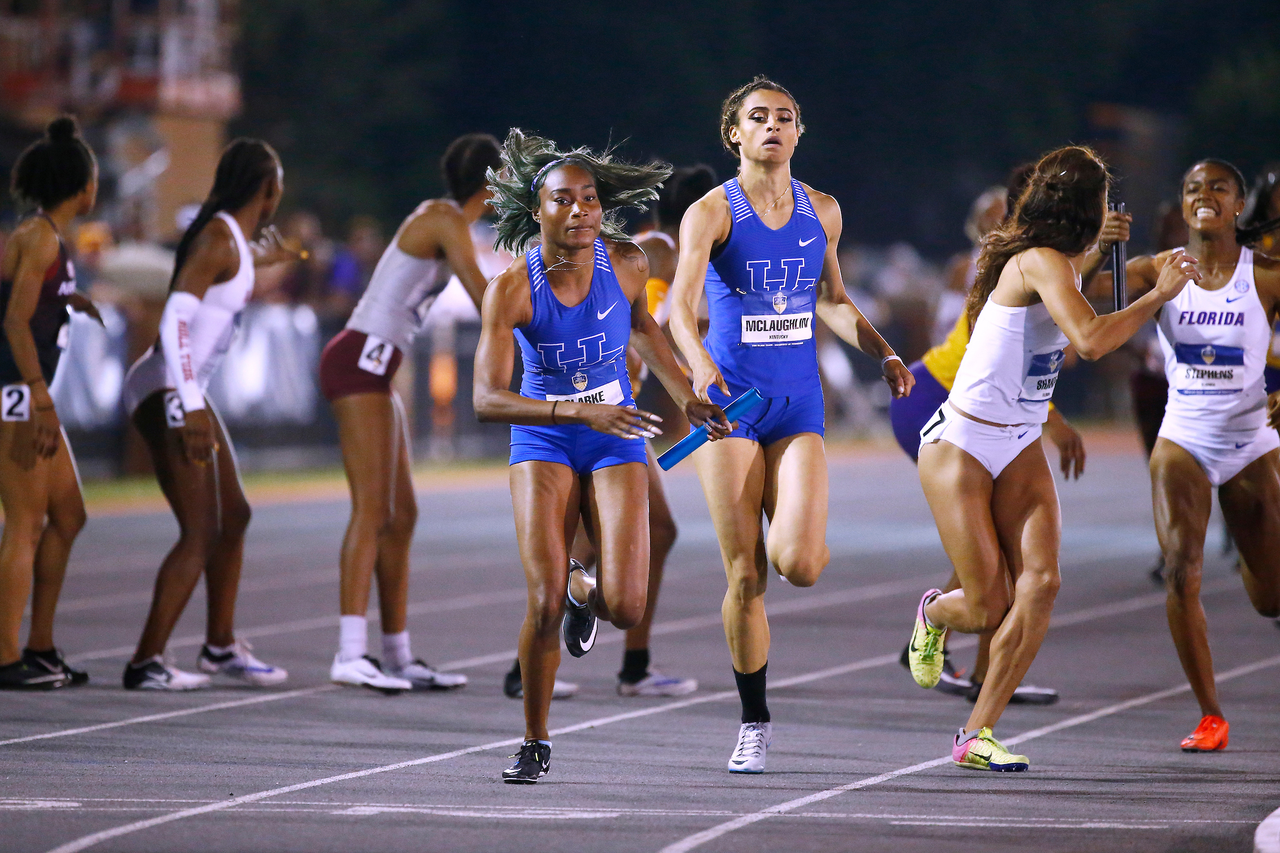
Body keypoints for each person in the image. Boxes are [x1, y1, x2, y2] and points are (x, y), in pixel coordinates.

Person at [906, 145, 1199, 772]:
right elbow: (1091, 341)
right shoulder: (1036, 261)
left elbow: (1085, 284)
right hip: (962, 442)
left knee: (1042, 584)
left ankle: (975, 736)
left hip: (1017, 440)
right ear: (1084, 208)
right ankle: (933, 612)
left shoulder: (1060, 263)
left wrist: (1140, 263)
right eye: (1101, 204)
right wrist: (1159, 295)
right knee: (985, 606)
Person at [668, 76, 913, 774]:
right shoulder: (711, 213)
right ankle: (754, 721)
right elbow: (679, 311)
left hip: (797, 404)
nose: (772, 126)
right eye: (757, 117)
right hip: (730, 410)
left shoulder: (823, 211)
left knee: (799, 563)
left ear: (799, 133)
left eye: (784, 117)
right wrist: (699, 367)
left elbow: (833, 300)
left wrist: (884, 352)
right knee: (746, 573)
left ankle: (789, 527)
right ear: (734, 135)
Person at [473, 129, 728, 784]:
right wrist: (577, 409)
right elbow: (485, 398)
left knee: (629, 606)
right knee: (540, 603)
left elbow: (644, 329)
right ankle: (535, 739)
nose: (580, 210)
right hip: (547, 437)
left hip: (616, 433)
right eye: (564, 200)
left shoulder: (630, 263)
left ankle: (585, 586)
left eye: (589, 198)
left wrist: (688, 394)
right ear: (538, 210)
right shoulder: (511, 290)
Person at [890, 170, 1126, 705]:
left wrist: (1098, 253)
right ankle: (943, 614)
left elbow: (1046, 343)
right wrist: (1058, 421)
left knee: (1028, 580)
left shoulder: (1047, 264)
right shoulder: (1006, 265)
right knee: (988, 582)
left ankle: (981, 703)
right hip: (942, 396)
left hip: (1008, 420)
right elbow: (1059, 345)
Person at [501, 164, 718, 702]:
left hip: (614, 414)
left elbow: (643, 321)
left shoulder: (635, 253)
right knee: (609, 542)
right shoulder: (660, 254)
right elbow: (636, 319)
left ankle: (595, 631)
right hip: (593, 413)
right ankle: (589, 650)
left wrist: (684, 388)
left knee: (638, 538)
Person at [319, 133, 500, 692]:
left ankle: (396, 654)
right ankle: (349, 652)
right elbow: (482, 295)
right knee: (373, 511)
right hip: (357, 363)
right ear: (490, 183)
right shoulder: (443, 217)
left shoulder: (450, 221)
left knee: (403, 517)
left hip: (375, 368)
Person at [120, 138, 298, 690]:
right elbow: (174, 321)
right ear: (267, 189)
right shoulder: (220, 237)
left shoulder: (234, 240)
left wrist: (263, 260)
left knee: (235, 515)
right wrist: (190, 404)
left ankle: (220, 647)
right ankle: (145, 662)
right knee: (199, 531)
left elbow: (225, 289)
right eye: (279, 184)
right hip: (169, 388)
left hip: (183, 388)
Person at [1120, 159, 1280, 751]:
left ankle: (1253, 549)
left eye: (1218, 187)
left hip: (1250, 443)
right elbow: (1082, 301)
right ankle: (1211, 715)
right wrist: (1104, 251)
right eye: (1192, 188)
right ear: (1183, 206)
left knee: (1271, 599)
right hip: (1182, 438)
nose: (1204, 195)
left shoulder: (1265, 272)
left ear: (1239, 205)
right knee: (1182, 571)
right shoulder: (1159, 271)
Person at [0, 116, 100, 689]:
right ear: (82, 187)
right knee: (25, 522)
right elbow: (13, 320)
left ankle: (39, 646)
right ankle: (6, 657)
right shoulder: (38, 236)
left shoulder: (42, 237)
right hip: (15, 394)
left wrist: (70, 297)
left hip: (21, 393)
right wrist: (38, 397)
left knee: (68, 515)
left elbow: (17, 296)